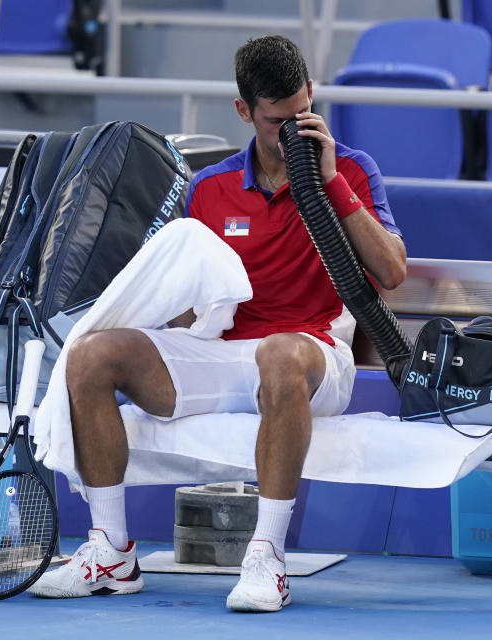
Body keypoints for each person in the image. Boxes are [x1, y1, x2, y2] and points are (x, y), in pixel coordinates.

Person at [29, 34, 406, 611]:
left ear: (312, 96)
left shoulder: (353, 169)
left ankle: (267, 558)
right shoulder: (210, 188)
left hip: (312, 356)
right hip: (228, 355)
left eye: (302, 114)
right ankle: (110, 550)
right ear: (244, 112)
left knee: (278, 352)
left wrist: (329, 181)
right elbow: (187, 305)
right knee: (91, 355)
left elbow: (391, 271)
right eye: (277, 121)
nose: (292, 132)